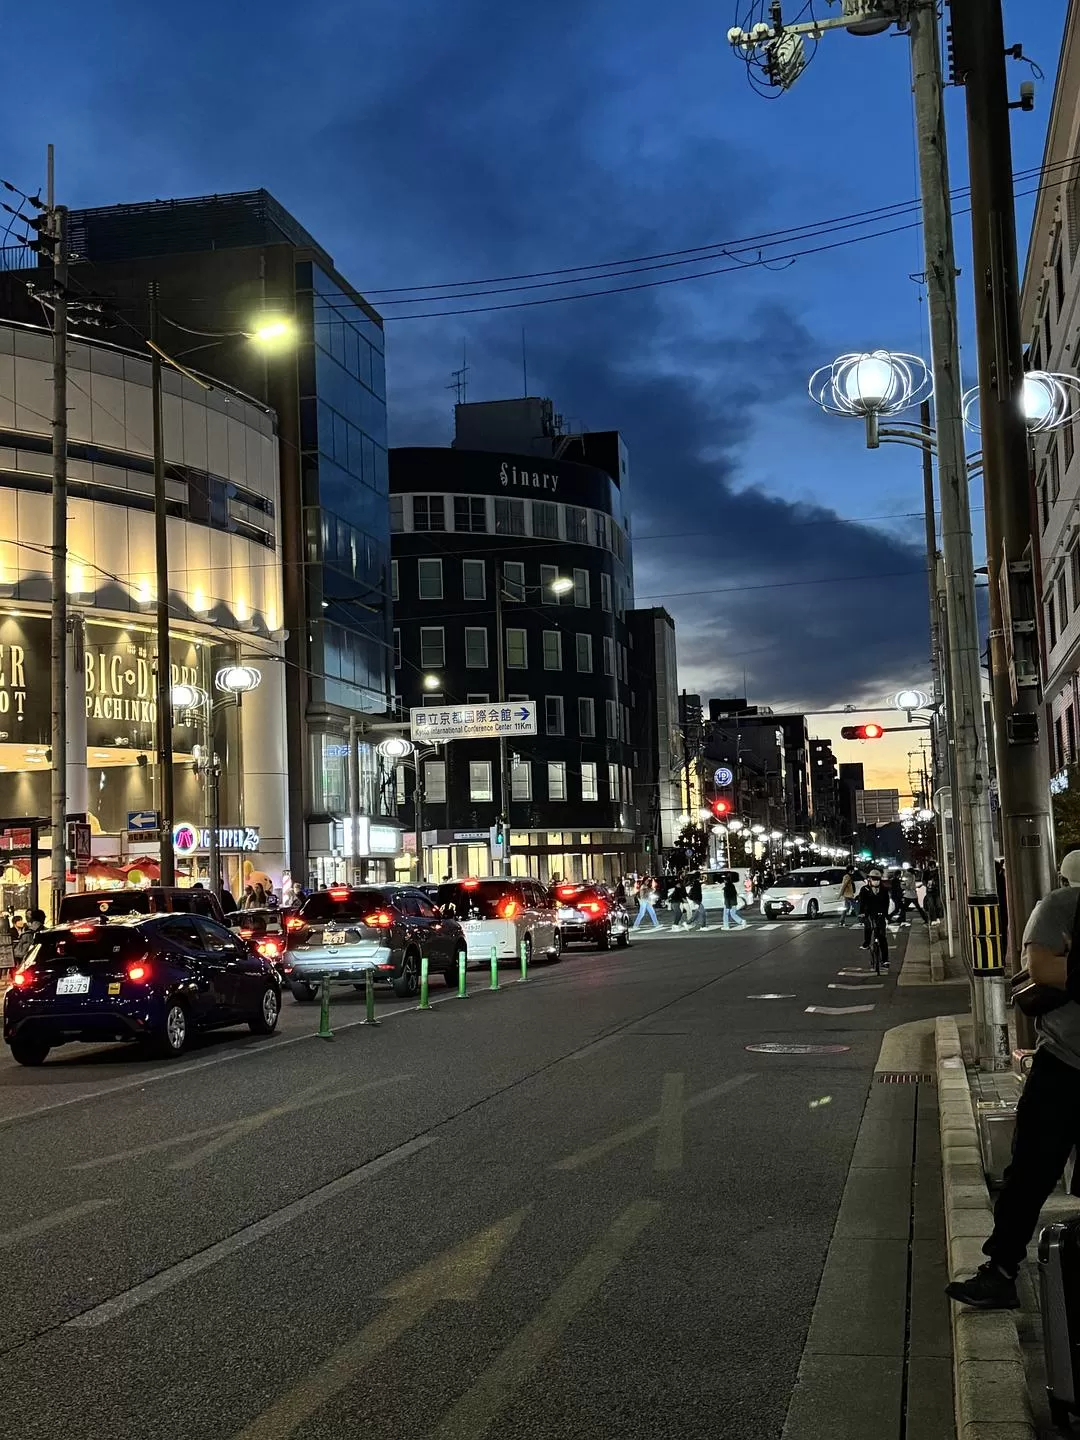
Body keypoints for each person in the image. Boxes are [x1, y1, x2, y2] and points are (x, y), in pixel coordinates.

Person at [946, 849, 1080, 1310]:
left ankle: (1002, 1271)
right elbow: (1041, 968)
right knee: (1028, 1174)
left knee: (1029, 1174)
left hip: (1064, 1064)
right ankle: (1001, 1269)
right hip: (1063, 1064)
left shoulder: (1058, 909)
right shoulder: (1061, 906)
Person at [858, 869, 891, 969]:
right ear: (870, 879)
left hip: (880, 914)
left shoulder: (884, 890)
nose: (875, 881)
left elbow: (886, 903)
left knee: (882, 937)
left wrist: (886, 915)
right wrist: (862, 913)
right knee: (868, 927)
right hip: (869, 914)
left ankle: (885, 960)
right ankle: (866, 943)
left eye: (877, 879)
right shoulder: (865, 890)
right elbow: (862, 903)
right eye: (874, 879)